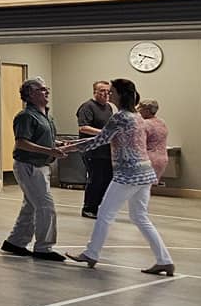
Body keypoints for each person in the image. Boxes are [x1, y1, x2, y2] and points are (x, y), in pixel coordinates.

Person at [63, 79, 174, 276]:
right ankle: (164, 260)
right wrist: (70, 145)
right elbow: (106, 138)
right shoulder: (136, 116)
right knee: (139, 217)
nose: (109, 94)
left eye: (112, 91)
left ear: (121, 94)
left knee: (105, 214)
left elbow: (99, 140)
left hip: (128, 174)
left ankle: (91, 253)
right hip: (144, 172)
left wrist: (67, 148)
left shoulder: (120, 117)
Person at [1, 77, 67, 262]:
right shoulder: (25, 116)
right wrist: (49, 150)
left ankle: (15, 242)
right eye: (42, 89)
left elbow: (41, 138)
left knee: (31, 206)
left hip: (41, 166)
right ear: (30, 94)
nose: (47, 92)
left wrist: (57, 144)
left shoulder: (46, 116)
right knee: (45, 206)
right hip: (29, 165)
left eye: (46, 89)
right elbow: (22, 143)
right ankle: (44, 247)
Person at [77, 81, 116, 219]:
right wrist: (104, 133)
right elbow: (83, 127)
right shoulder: (87, 107)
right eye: (102, 91)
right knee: (96, 180)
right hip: (92, 151)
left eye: (108, 91)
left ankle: (100, 207)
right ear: (95, 92)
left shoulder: (108, 107)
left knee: (107, 180)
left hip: (106, 151)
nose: (106, 94)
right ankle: (89, 208)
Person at [138, 100, 170, 180]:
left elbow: (138, 142)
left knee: (143, 184)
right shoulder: (161, 122)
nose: (138, 110)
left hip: (149, 159)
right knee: (151, 184)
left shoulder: (145, 124)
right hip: (162, 158)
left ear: (147, 111)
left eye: (140, 108)